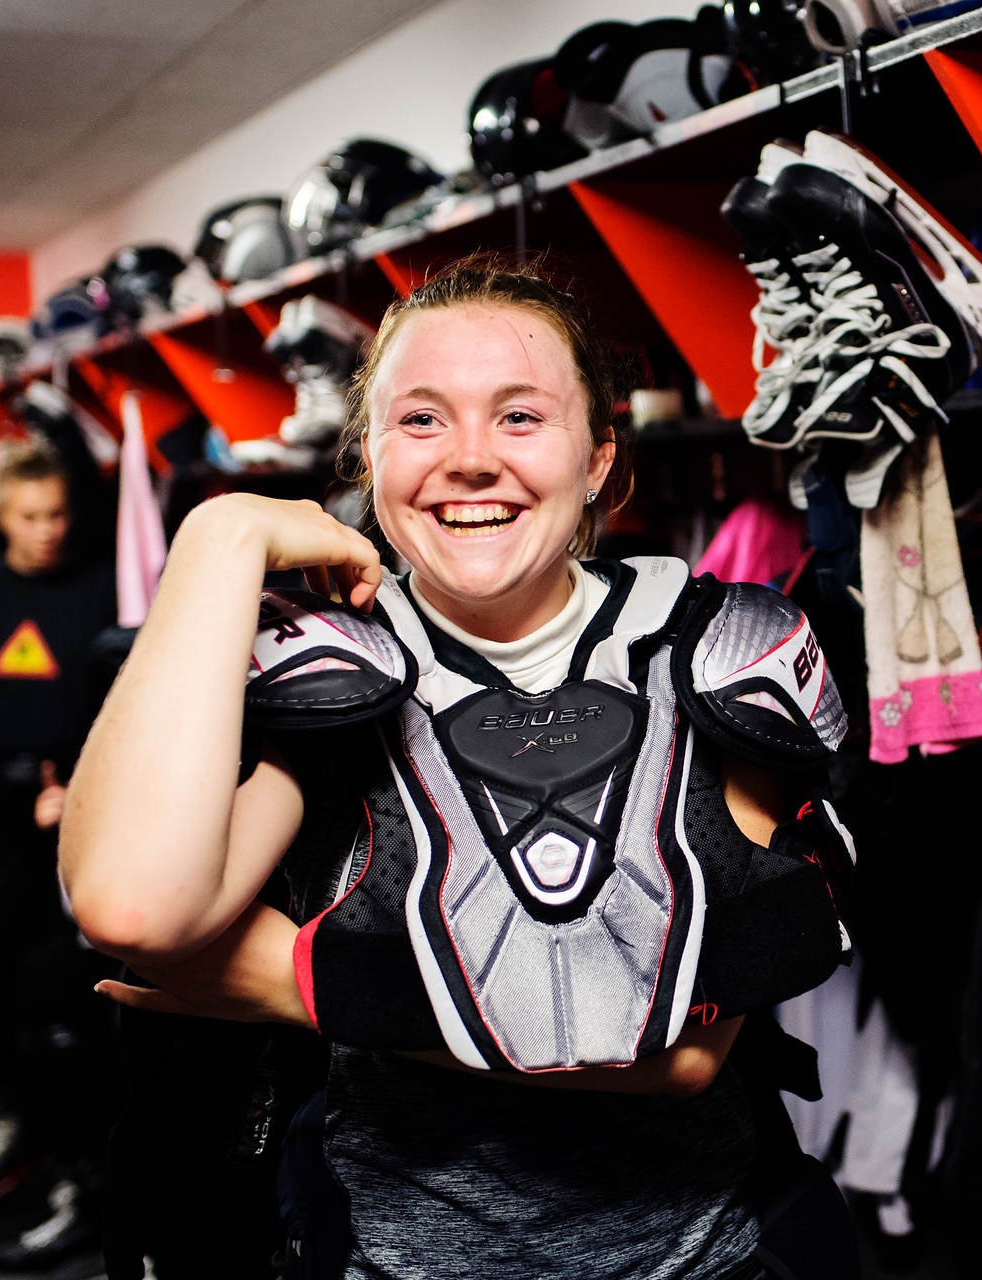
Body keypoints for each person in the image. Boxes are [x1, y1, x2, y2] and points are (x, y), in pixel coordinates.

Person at [61, 253, 857, 1279]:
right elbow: (131, 911)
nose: (470, 458)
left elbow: (671, 1046)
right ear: (368, 451)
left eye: (521, 416)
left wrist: (293, 982)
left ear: (601, 455)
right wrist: (218, 539)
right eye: (422, 419)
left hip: (702, 1259)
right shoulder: (327, 673)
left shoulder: (714, 653)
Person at [0, 436, 119, 1267]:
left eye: (59, 515)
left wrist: (86, 788)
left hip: (72, 814)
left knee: (59, 998)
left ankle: (67, 1154)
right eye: (32, 516)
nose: (49, 531)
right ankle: (13, 1117)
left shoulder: (107, 589)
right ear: (2, 515)